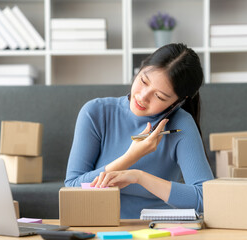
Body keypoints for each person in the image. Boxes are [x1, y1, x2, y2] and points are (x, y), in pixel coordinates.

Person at [64, 43, 214, 219]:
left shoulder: (181, 124)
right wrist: (130, 157)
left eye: (159, 96)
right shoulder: (96, 112)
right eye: (143, 81)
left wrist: (139, 177)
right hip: (98, 226)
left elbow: (206, 198)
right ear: (140, 68)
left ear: (178, 102)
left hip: (156, 230)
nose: (143, 97)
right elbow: (72, 188)